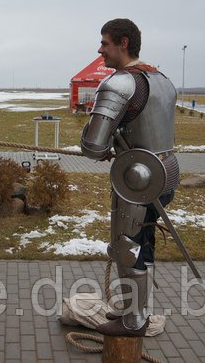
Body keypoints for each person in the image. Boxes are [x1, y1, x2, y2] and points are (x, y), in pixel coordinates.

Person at [80, 18, 179, 337]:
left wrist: (99, 137)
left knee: (127, 246)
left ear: (123, 43)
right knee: (144, 244)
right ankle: (136, 308)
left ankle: (133, 320)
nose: (100, 50)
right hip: (165, 171)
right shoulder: (161, 78)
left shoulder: (120, 83)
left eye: (105, 43)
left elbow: (93, 146)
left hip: (138, 178)